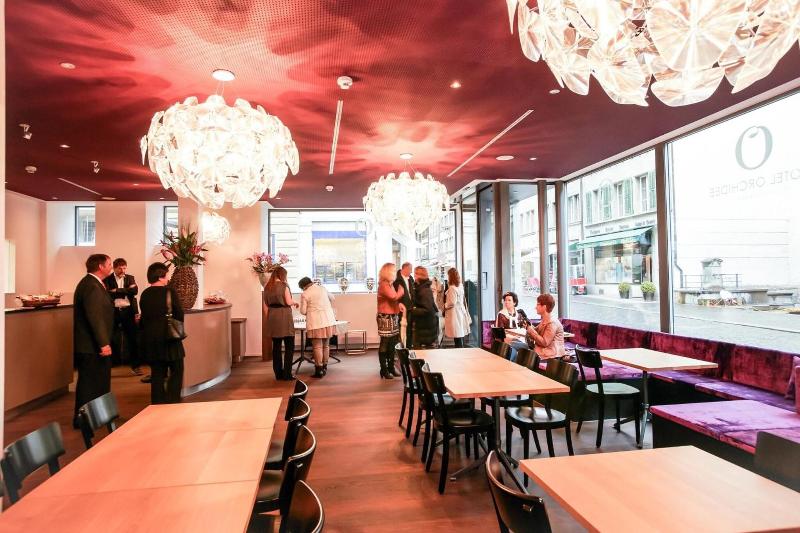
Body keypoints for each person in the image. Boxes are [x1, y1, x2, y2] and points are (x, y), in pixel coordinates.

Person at [73, 253, 115, 428]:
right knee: (89, 384)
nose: (111, 267)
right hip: (91, 346)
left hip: (92, 345)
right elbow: (95, 317)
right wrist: (103, 343)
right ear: (100, 266)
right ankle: (84, 420)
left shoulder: (93, 284)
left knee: (98, 382)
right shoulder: (91, 285)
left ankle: (97, 416)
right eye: (109, 264)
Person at [139, 262, 185, 404]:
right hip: (170, 338)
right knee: (177, 370)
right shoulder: (170, 292)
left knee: (157, 374)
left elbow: (144, 317)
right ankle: (172, 401)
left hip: (152, 340)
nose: (168, 278)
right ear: (160, 276)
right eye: (166, 275)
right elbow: (179, 314)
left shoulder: (145, 294)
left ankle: (157, 403)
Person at [103, 258, 141, 375]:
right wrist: (126, 290)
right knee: (110, 338)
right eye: (120, 268)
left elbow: (135, 291)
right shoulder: (107, 279)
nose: (123, 270)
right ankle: (109, 365)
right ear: (114, 268)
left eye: (124, 268)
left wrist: (117, 290)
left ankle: (135, 366)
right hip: (113, 312)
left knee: (133, 339)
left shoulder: (130, 278)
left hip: (128, 311)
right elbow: (107, 293)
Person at [263, 266, 298, 380]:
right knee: (289, 346)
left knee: (276, 347)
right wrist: (295, 303)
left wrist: (269, 318)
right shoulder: (284, 286)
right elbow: (288, 301)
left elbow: (265, 306)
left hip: (272, 316)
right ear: (283, 275)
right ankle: (287, 374)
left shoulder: (267, 286)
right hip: (284, 316)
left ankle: (278, 374)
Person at [298, 276, 337, 378]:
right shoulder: (322, 288)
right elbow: (333, 298)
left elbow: (303, 311)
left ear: (303, 287)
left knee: (317, 346)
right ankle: (325, 366)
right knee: (326, 345)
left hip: (316, 322)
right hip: (328, 320)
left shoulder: (305, 293)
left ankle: (318, 370)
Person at [377, 262, 404, 379]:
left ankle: (391, 367)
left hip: (392, 316)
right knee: (385, 342)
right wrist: (401, 291)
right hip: (385, 317)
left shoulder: (389, 284)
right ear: (388, 272)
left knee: (392, 343)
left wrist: (399, 305)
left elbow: (392, 300)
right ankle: (384, 369)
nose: (395, 273)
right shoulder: (384, 284)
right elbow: (393, 296)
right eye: (393, 270)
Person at [525, 293, 566, 360]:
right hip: (544, 353)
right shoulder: (545, 319)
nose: (535, 307)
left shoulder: (552, 323)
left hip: (552, 357)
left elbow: (545, 342)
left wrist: (531, 331)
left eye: (538, 304)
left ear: (544, 307)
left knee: (521, 353)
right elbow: (536, 331)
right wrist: (528, 326)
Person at [411, 266, 439, 348]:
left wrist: (413, 310)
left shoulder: (424, 290)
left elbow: (427, 309)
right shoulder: (422, 287)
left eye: (415, 274)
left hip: (425, 326)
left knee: (421, 351)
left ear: (419, 275)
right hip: (424, 326)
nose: (414, 276)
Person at [443, 268, 471, 347]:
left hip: (454, 314)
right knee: (459, 335)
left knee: (457, 335)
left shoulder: (452, 288)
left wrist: (445, 306)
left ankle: (459, 351)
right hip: (460, 312)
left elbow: (452, 302)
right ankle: (460, 350)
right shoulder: (460, 286)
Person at [394, 262, 414, 348]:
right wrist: (398, 304)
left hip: (411, 308)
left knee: (410, 330)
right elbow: (395, 296)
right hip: (402, 309)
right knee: (402, 329)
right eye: (410, 269)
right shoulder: (397, 280)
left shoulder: (411, 279)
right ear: (405, 269)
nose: (411, 271)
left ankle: (409, 347)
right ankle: (402, 348)